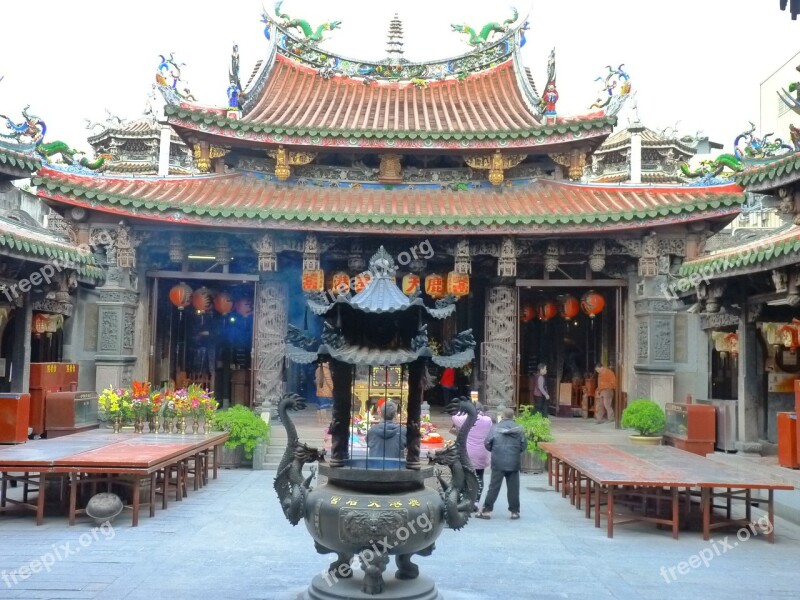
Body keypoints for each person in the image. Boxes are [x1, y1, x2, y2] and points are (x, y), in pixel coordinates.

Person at [477, 408, 527, 520]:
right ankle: (514, 512)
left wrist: (494, 450)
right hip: (513, 462)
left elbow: (487, 443)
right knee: (514, 488)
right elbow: (523, 446)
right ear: (513, 416)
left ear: (502, 416)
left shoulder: (495, 428)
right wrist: (515, 452)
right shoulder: (519, 429)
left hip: (498, 461)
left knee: (493, 487)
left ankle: (486, 511)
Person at [451, 402, 493, 510]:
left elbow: (454, 417)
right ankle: (476, 501)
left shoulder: (466, 419)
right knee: (480, 476)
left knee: (466, 476)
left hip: (468, 453)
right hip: (482, 453)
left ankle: (466, 498)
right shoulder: (487, 421)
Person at [315, 360, 333, 425]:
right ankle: (325, 420)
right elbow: (329, 381)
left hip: (319, 390)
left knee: (319, 406)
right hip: (326, 391)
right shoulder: (326, 370)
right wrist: (333, 389)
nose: (328, 362)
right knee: (324, 406)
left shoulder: (317, 369)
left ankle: (320, 420)